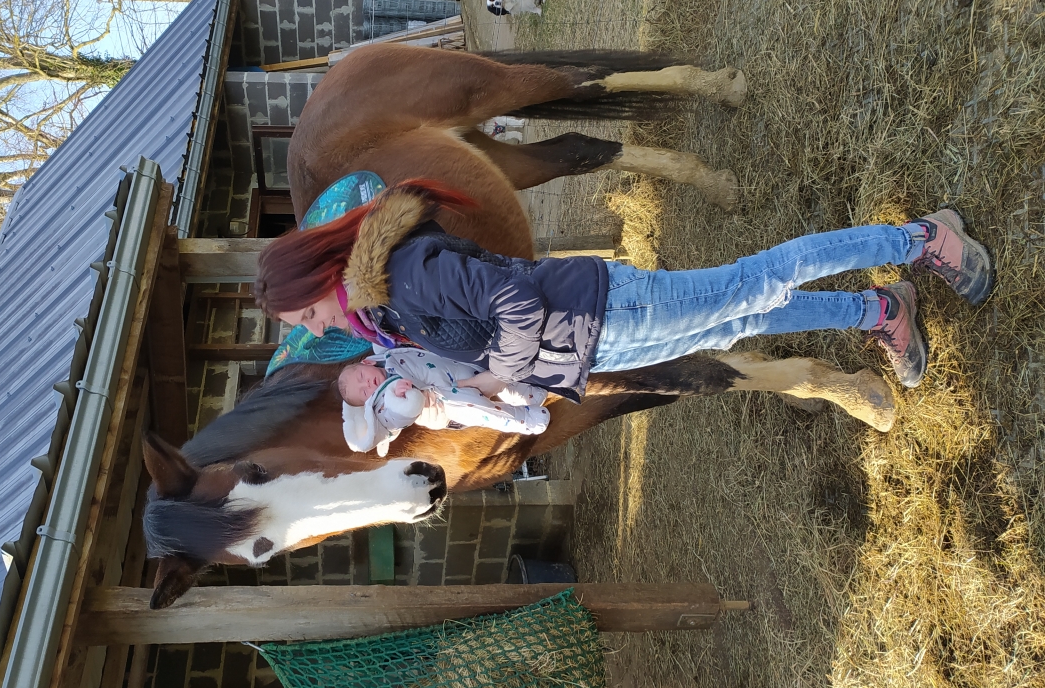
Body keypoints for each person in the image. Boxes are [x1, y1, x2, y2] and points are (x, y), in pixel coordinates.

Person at [254, 182, 994, 398]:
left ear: (323, 276)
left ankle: (920, 239)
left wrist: (500, 375)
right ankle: (879, 308)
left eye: (309, 313)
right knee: (739, 322)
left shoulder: (405, 273)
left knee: (756, 281)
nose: (316, 330)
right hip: (597, 344)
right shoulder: (383, 311)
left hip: (606, 311)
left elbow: (514, 305)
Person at [337, 348, 551, 455]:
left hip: (451, 369)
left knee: (492, 373)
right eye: (364, 392)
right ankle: (526, 420)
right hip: (446, 402)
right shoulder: (385, 402)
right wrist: (400, 398)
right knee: (484, 412)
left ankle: (528, 393)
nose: (368, 384)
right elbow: (396, 417)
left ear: (366, 363)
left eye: (362, 377)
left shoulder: (387, 356)